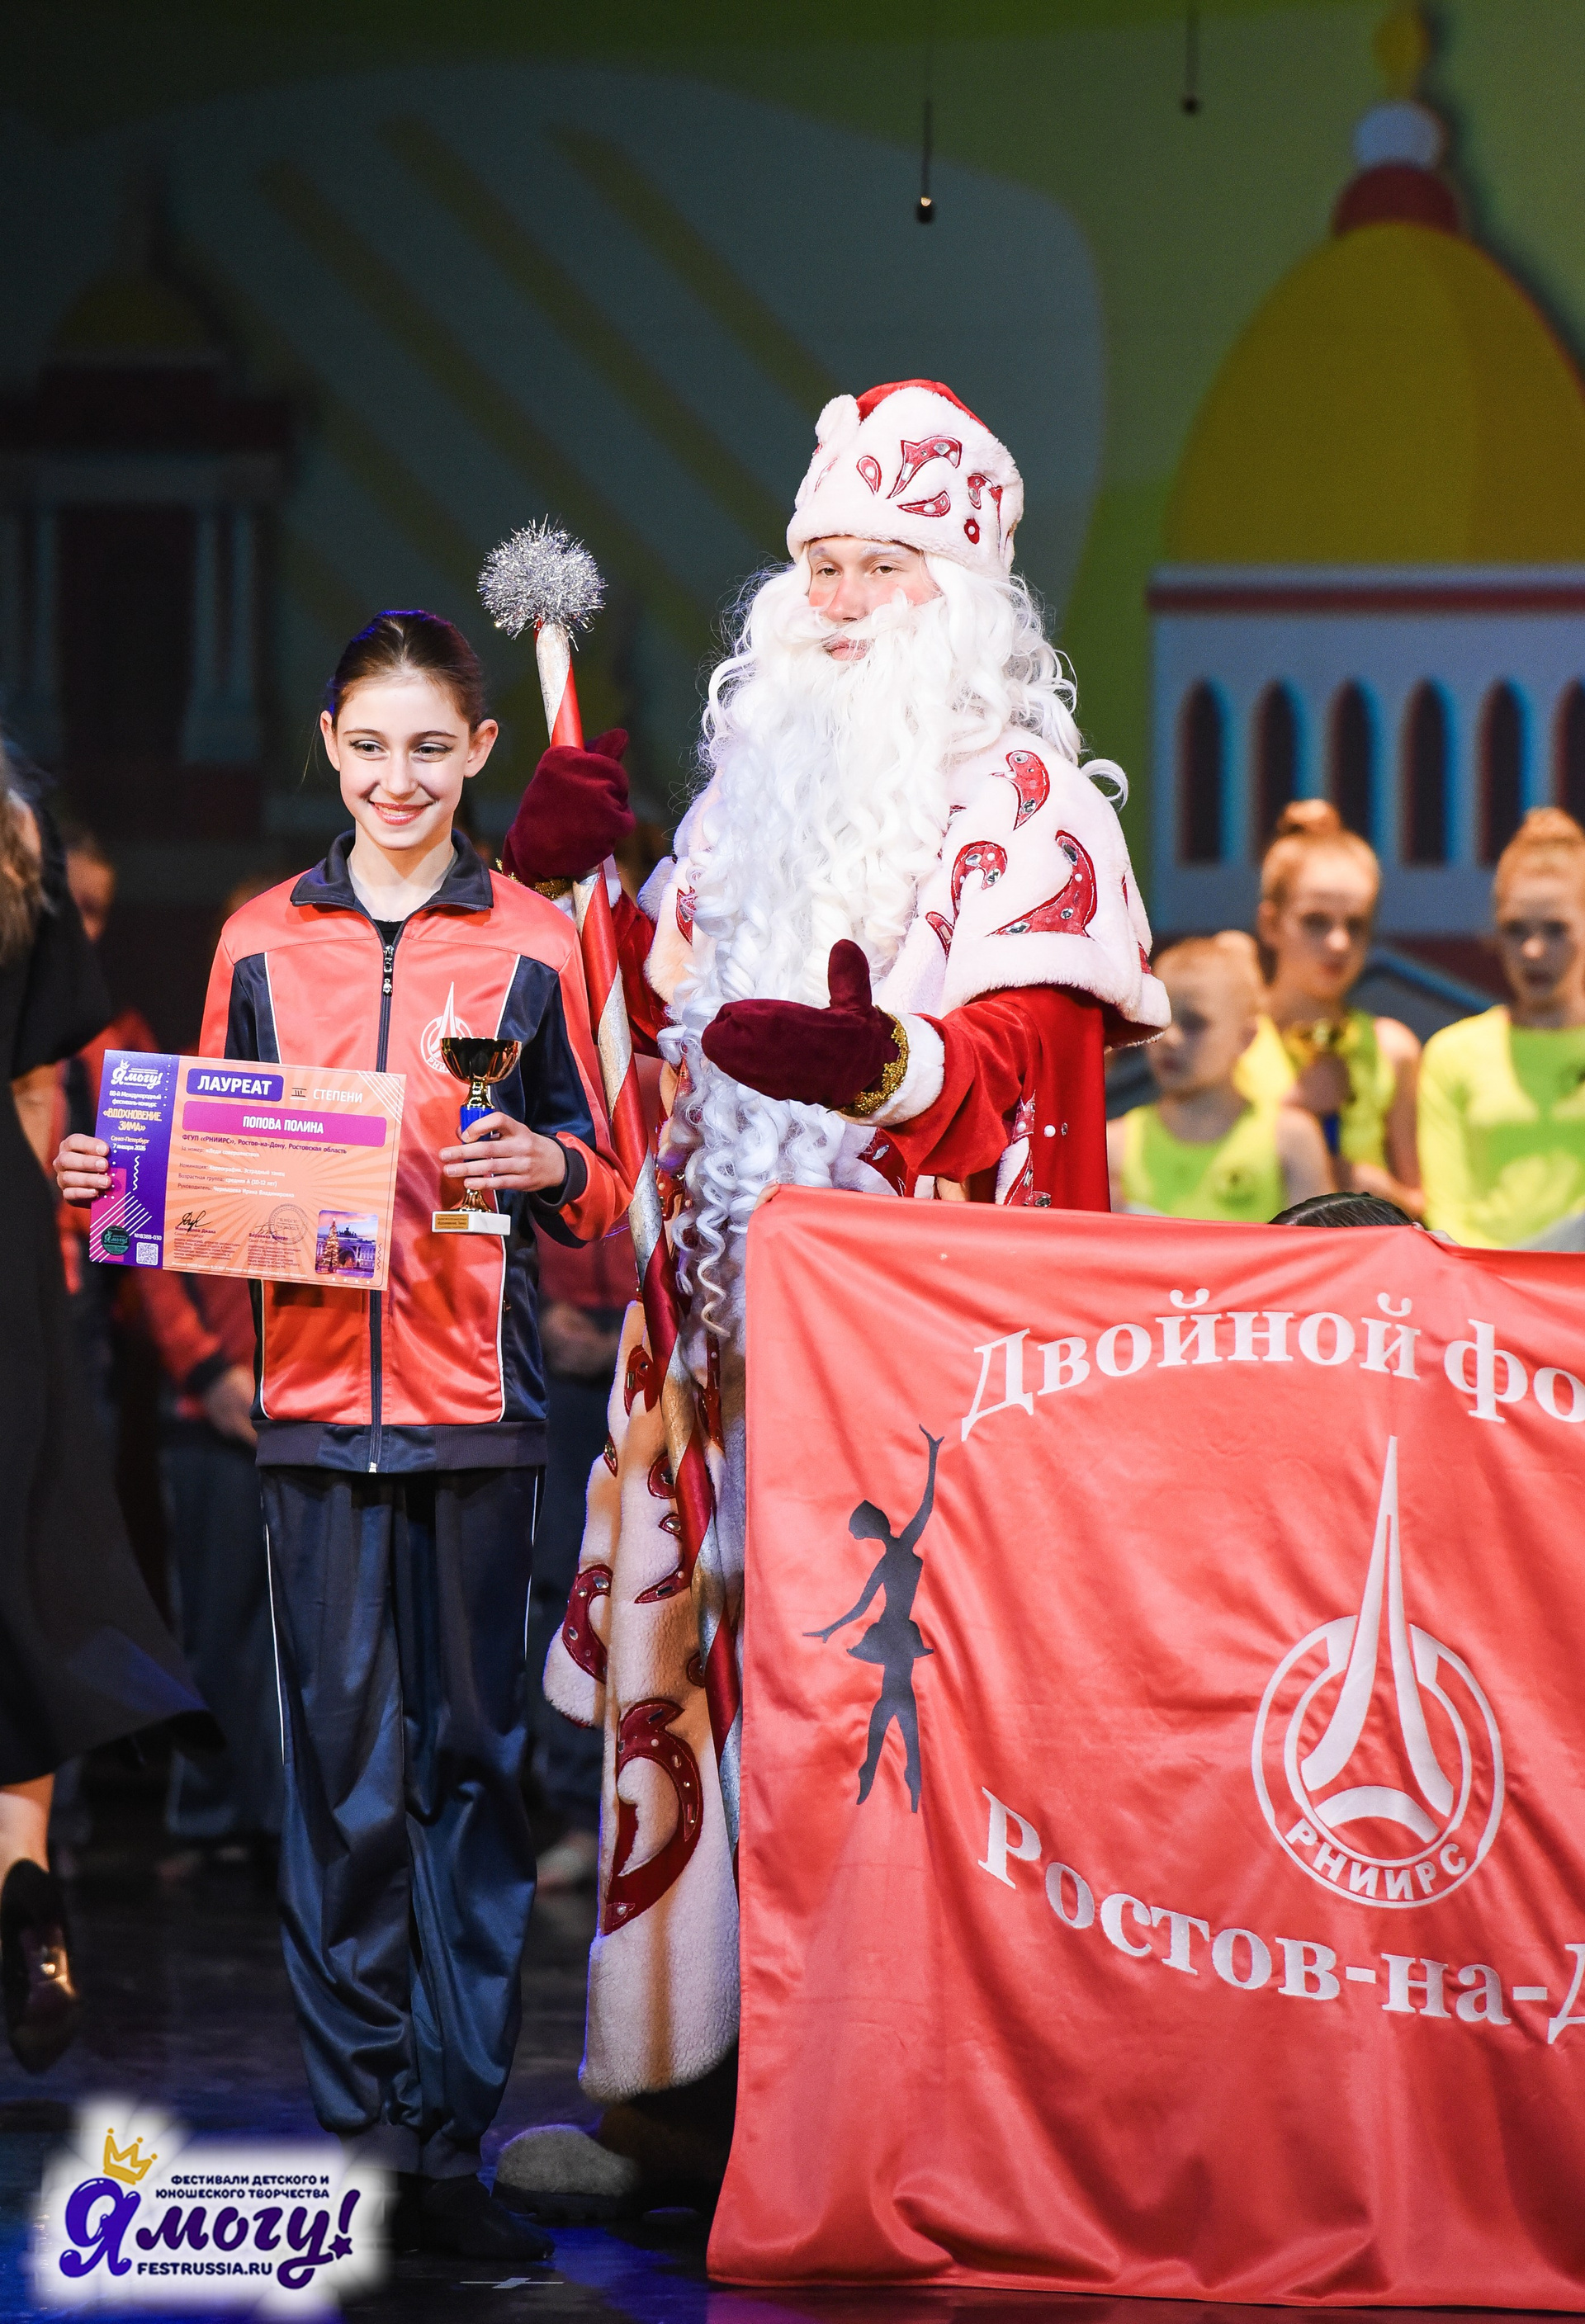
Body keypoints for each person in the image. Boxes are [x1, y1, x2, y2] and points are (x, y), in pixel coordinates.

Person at [497, 380, 1167, 2214]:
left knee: (894, 1742)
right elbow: (646, 1043)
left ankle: (910, 2129)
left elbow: (1025, 1072)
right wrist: (570, 890)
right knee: (710, 1723)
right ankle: (685, 2112)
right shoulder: (745, 806)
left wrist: (885, 1066)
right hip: (727, 1370)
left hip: (924, 1395)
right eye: (823, 566)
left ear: (965, 595)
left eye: (886, 565)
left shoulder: (1029, 810)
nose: (846, 600)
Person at [56, 610, 631, 2257]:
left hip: (479, 1416)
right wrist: (117, 1182)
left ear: (480, 752)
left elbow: (607, 1187)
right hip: (312, 1423)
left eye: (430, 748)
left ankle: (452, 2128)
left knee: (476, 1775)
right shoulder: (258, 942)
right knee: (342, 1783)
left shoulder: (534, 942)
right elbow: (206, 1177)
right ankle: (368, 2124)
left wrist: (551, 1169)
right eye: (370, 746)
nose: (399, 778)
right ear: (327, 744)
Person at [0, 752, 211, 2075]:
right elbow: (39, 1080)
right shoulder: (16, 840)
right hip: (12, 1254)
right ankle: (24, 1880)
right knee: (25, 1575)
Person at [1237, 801, 1422, 1215]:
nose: (1339, 943)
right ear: (1270, 924)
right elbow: (1204, 1180)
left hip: (1361, 1253)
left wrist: (1375, 1189)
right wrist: (1295, 1107)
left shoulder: (1393, 1049)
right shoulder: (1233, 1041)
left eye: (1355, 925)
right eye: (1316, 921)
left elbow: (1423, 1209)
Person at [1417, 806, 1585, 1246]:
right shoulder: (1451, 1053)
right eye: (1515, 930)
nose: (1533, 950)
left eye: (1556, 930)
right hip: (1482, 1281)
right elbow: (1445, 1214)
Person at [1109, 933, 1331, 1220]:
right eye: (1158, 1020)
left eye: (1194, 1023)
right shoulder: (1113, 1147)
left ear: (1246, 1037)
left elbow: (1319, 1248)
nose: (1169, 1039)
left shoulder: (1291, 1141)